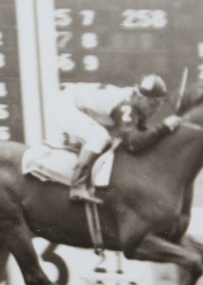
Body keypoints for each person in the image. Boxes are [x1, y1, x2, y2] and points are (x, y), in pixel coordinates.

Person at [53, 73, 182, 204]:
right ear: (138, 96)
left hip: (76, 104)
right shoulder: (125, 106)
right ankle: (78, 187)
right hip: (66, 105)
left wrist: (164, 131)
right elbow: (133, 143)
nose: (156, 108)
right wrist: (163, 127)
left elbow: (144, 137)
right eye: (152, 103)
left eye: (159, 103)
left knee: (103, 139)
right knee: (99, 137)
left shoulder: (133, 102)